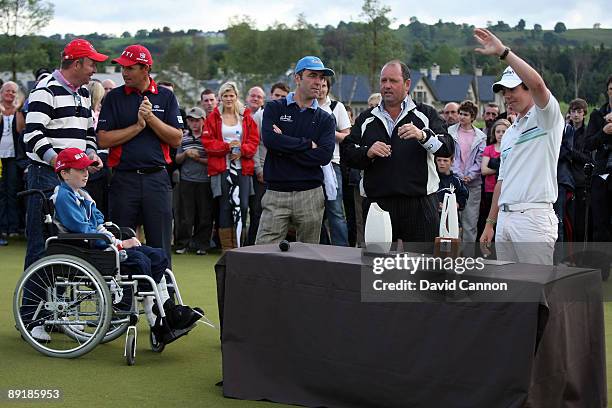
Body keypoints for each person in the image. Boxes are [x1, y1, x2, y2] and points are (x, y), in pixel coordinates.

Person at [52, 148, 201, 344]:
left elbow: (98, 221)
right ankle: (157, 320)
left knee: (158, 255)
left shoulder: (83, 195)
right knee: (141, 260)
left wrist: (114, 239)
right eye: (80, 170)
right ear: (64, 173)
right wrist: (120, 243)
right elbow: (84, 230)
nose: (86, 173)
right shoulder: (64, 197)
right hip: (90, 250)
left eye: (86, 169)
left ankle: (168, 311)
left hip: (101, 244)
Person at [476, 28, 564, 265]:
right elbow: (503, 181)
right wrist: (490, 223)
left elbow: (537, 83)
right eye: (504, 91)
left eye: (512, 89)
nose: (507, 96)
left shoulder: (546, 117)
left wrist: (503, 52)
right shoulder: (510, 131)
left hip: (533, 219)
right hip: (505, 220)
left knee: (536, 295)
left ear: (526, 88)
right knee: (512, 297)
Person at [341, 60, 454, 243]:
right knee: (378, 267)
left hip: (420, 204)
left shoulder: (425, 114)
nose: (386, 86)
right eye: (383, 80)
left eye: (393, 81)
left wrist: (422, 136)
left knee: (421, 267)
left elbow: (447, 148)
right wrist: (368, 152)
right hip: (378, 204)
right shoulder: (366, 118)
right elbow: (347, 153)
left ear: (407, 84)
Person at [23, 38, 106, 269]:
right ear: (77, 64)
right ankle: (31, 306)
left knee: (70, 244)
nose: (94, 70)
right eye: (92, 64)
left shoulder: (85, 93)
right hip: (46, 175)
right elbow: (32, 136)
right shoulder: (45, 90)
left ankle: (59, 302)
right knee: (43, 242)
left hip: (73, 177)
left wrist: (90, 154)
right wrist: (59, 162)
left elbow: (89, 132)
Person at [97, 44, 182, 261]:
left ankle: (163, 296)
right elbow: (103, 139)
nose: (124, 73)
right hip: (124, 179)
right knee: (121, 245)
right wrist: (136, 127)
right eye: (122, 68)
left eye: (130, 68)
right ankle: (124, 296)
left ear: (145, 68)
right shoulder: (114, 97)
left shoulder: (166, 97)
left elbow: (176, 139)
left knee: (160, 246)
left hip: (157, 180)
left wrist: (151, 119)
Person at [255, 56, 335, 245]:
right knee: (263, 254)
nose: (319, 82)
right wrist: (308, 144)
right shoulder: (274, 107)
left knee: (308, 258)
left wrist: (284, 146)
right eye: (313, 76)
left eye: (322, 77)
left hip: (311, 194)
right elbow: (270, 140)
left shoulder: (325, 119)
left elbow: (324, 156)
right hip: (276, 192)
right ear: (297, 78)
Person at [202, 82, 259, 250]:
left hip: (243, 167)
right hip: (222, 168)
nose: (228, 98)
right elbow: (207, 143)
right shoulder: (213, 117)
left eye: (231, 95)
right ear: (221, 98)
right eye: (225, 96)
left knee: (243, 206)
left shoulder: (246, 116)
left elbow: (254, 140)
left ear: (236, 97)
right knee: (225, 206)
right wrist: (227, 147)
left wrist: (242, 150)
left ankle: (241, 246)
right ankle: (227, 248)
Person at [248, 82, 289, 245]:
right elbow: (255, 143)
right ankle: (250, 246)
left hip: (282, 173)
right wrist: (258, 169)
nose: (279, 98)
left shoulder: (289, 116)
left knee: (280, 213)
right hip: (263, 172)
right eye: (277, 95)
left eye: (283, 97)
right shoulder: (260, 115)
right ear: (271, 96)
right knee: (258, 211)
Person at [318, 75, 351, 246]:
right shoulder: (306, 105)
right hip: (310, 163)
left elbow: (347, 136)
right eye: (319, 85)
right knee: (314, 212)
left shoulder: (337, 107)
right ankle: (320, 247)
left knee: (335, 210)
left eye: (324, 85)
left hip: (332, 164)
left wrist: (328, 132)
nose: (321, 89)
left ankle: (341, 250)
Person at [175, 107, 212, 255]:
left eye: (197, 120)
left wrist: (198, 158)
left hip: (204, 180)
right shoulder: (183, 137)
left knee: (204, 215)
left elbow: (212, 160)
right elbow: (177, 159)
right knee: (185, 215)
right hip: (187, 179)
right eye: (191, 120)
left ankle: (202, 244)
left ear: (203, 121)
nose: (194, 123)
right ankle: (183, 243)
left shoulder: (208, 138)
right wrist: (185, 154)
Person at [448, 100, 486, 243]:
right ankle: (452, 256)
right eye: (461, 114)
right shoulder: (450, 132)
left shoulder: (481, 137)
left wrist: (470, 175)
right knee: (452, 223)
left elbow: (480, 159)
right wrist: (458, 174)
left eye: (466, 114)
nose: (462, 117)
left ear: (473, 117)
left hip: (473, 185)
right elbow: (450, 155)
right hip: (454, 182)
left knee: (470, 224)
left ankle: (467, 258)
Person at [585, 75, 612, 244]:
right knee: (599, 224)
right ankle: (601, 266)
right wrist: (604, 132)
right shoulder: (597, 115)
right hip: (601, 174)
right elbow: (588, 144)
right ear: (607, 91)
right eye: (611, 90)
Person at [0, 81, 25, 244]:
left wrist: (16, 111)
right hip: (0, 157)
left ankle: (14, 228)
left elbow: (20, 129)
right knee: (1, 192)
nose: (10, 94)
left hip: (13, 156)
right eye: (7, 91)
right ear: (1, 92)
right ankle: (3, 227)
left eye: (13, 91)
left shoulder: (19, 111)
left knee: (12, 191)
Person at [567, 98, 592, 242]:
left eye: (579, 111)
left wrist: (570, 151)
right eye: (573, 111)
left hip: (581, 181)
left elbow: (589, 159)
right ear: (569, 113)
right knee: (567, 220)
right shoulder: (564, 131)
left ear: (584, 113)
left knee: (581, 222)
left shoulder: (588, 133)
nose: (576, 114)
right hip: (565, 179)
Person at [480, 119, 510, 232]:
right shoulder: (489, 149)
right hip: (490, 189)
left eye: (504, 131)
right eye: (498, 131)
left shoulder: (511, 149)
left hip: (506, 189)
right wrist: (501, 169)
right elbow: (484, 170)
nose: (501, 134)